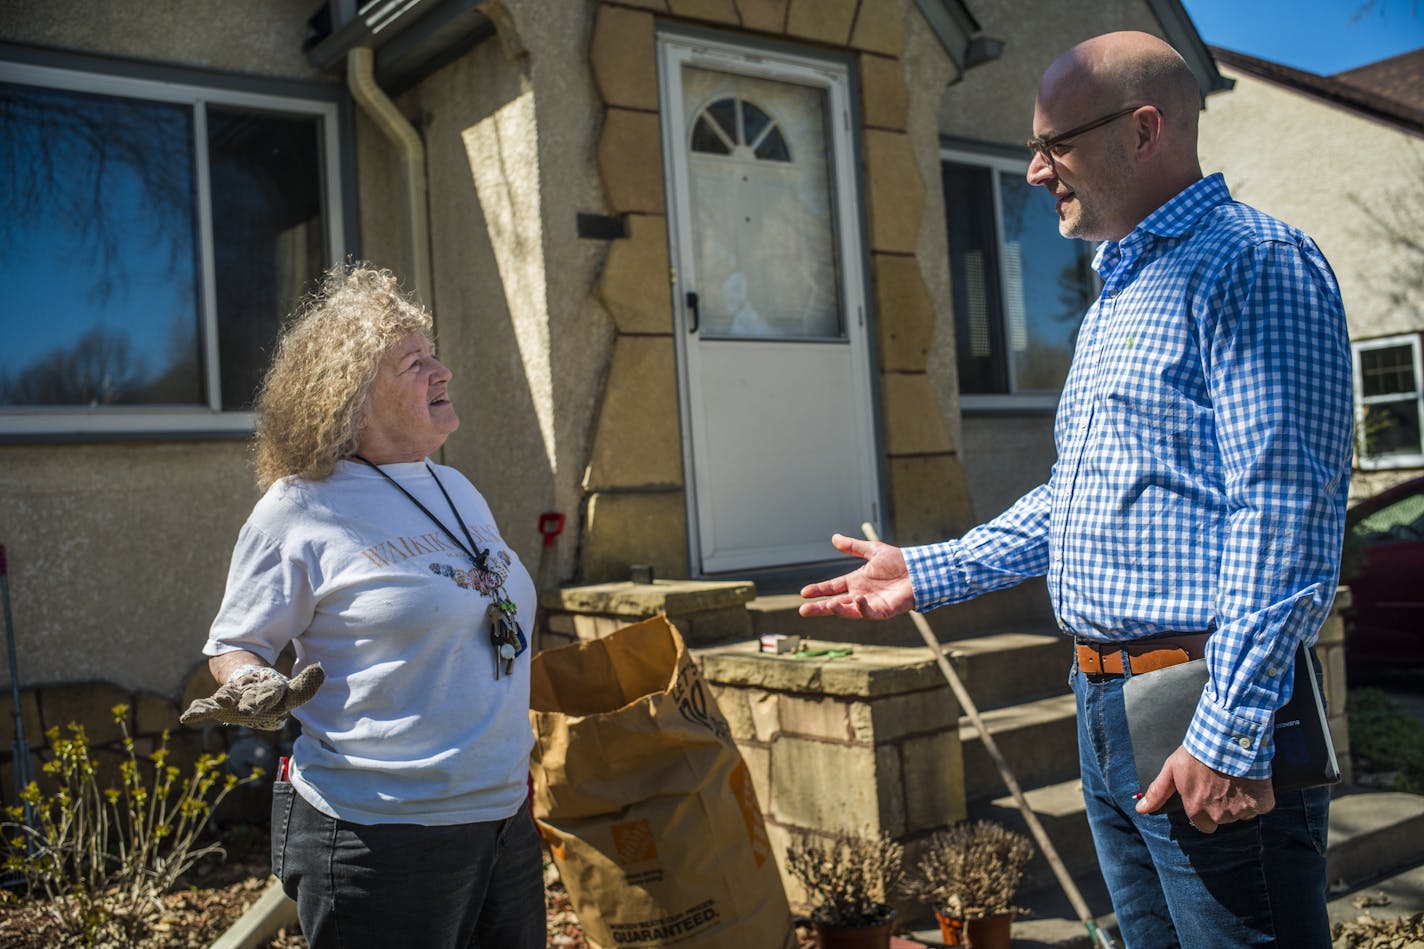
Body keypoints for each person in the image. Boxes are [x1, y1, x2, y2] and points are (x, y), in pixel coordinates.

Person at [800, 31, 1352, 948]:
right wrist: (925, 570)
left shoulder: (1254, 264)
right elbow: (1079, 497)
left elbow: (1286, 513)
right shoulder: (1121, 289)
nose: (1031, 172)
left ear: (1144, 130)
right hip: (1107, 710)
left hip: (1201, 707)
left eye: (1055, 143)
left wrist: (1229, 730)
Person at [181, 263, 544, 948]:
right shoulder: (301, 506)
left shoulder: (458, 489)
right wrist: (252, 681)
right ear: (349, 394)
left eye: (433, 354)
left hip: (503, 820)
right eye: (415, 362)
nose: (443, 371)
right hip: (382, 837)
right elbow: (236, 644)